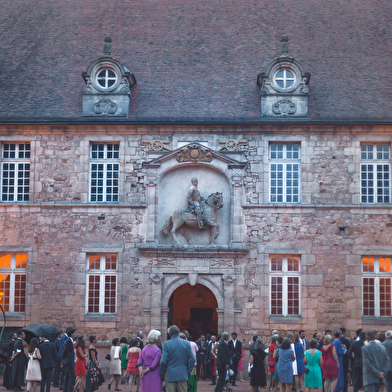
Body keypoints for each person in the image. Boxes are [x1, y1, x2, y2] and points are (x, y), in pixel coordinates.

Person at [160, 325, 195, 392]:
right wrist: (188, 371)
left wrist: (162, 372)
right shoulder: (187, 343)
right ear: (179, 332)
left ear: (169, 334)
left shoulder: (166, 344)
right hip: (182, 372)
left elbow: (163, 361)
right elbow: (192, 359)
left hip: (169, 373)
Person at [62, 327, 77, 392]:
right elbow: (65, 352)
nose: (75, 334)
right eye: (74, 333)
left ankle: (66, 389)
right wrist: (63, 360)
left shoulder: (70, 341)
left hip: (69, 361)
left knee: (68, 376)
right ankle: (70, 389)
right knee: (72, 376)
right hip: (69, 361)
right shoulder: (68, 342)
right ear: (71, 334)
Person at [340, 328, 351, 392]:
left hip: (338, 360)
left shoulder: (334, 341)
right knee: (345, 375)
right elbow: (349, 350)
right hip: (345, 360)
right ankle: (344, 389)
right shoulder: (346, 341)